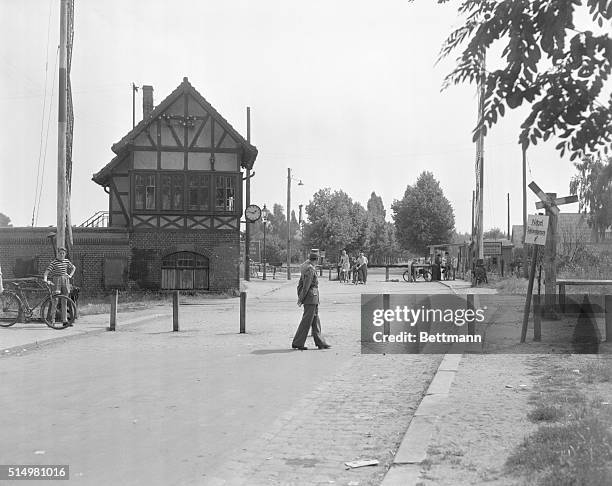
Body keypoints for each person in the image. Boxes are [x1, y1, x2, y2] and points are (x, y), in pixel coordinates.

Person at [292, 252, 331, 350]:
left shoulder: (307, 267)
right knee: (306, 321)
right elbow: (306, 285)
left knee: (315, 321)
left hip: (312, 297)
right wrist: (301, 299)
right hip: (310, 297)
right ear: (316, 260)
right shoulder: (310, 269)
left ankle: (320, 342)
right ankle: (298, 342)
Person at [43, 247, 76, 327]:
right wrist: (45, 279)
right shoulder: (54, 262)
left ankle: (64, 320)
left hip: (65, 280)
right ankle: (52, 320)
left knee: (65, 300)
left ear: (65, 254)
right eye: (60, 253)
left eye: (63, 253)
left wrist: (70, 275)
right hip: (56, 280)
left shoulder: (66, 261)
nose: (61, 255)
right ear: (58, 253)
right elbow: (46, 272)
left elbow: (74, 268)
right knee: (55, 301)